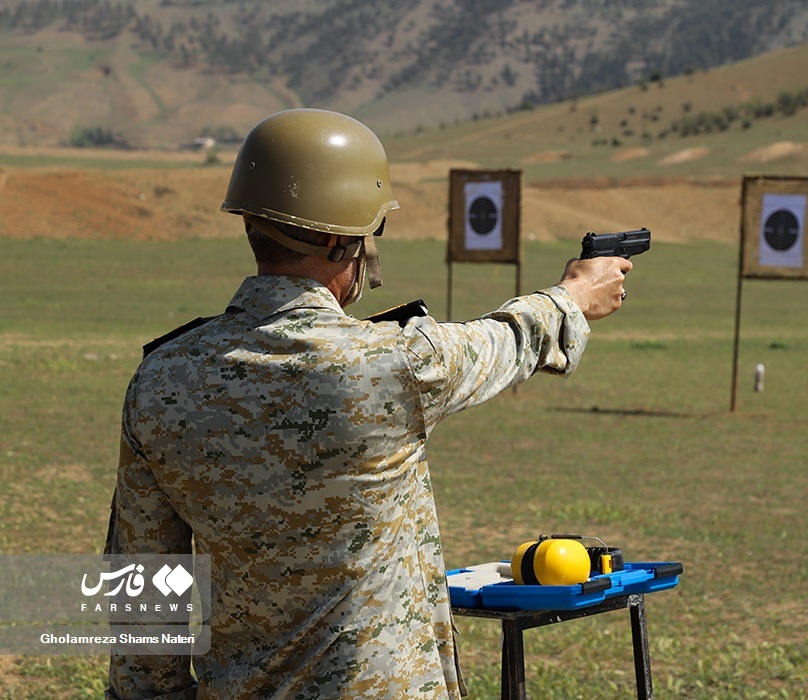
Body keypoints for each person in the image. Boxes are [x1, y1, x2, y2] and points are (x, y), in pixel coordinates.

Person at [105, 108, 632, 699]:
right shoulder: (394, 363)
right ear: (339, 239)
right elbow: (504, 340)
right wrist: (574, 297)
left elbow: (142, 588)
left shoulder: (161, 378)